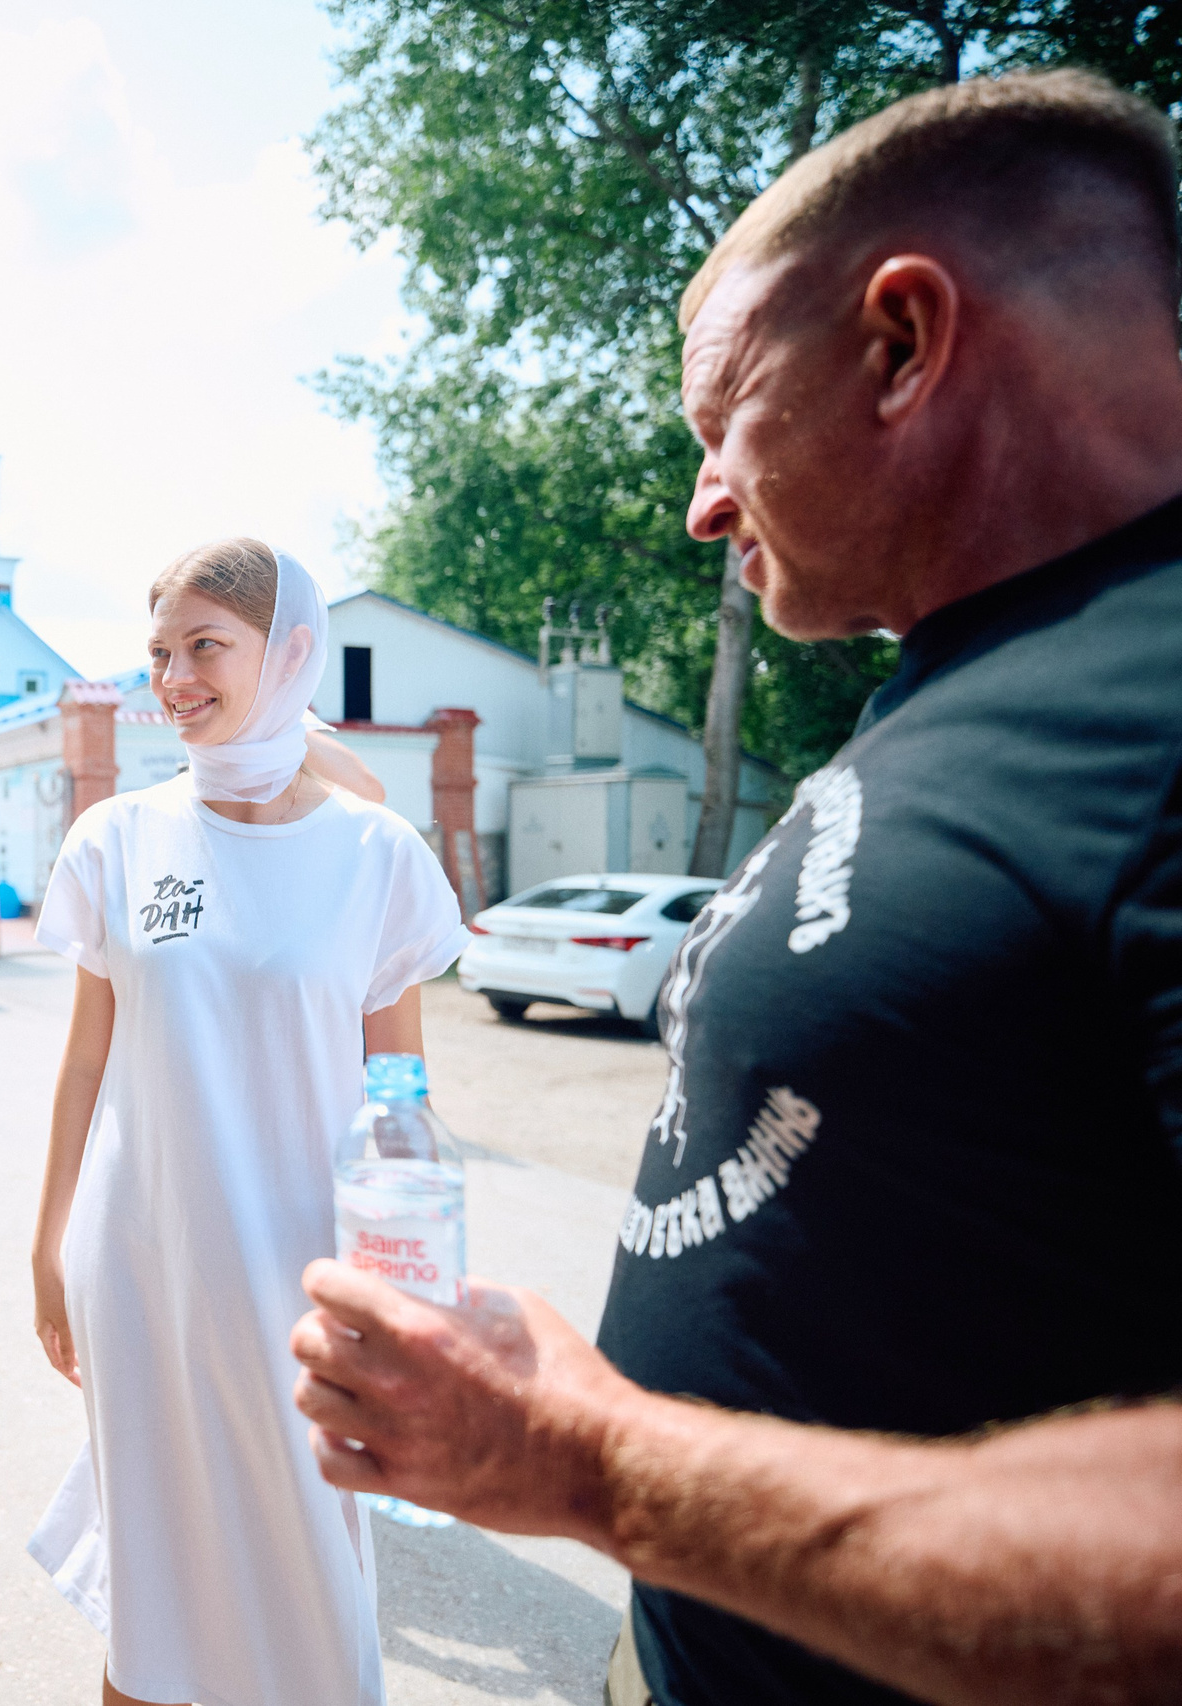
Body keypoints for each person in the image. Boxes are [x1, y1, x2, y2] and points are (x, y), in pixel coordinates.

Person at [287, 70, 1182, 1706]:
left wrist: (591, 1462)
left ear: (902, 344)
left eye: (723, 421)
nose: (703, 500)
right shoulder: (962, 687)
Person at [25, 539, 467, 1706]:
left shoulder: (377, 854)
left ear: (290, 652)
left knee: (315, 1599)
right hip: (142, 1266)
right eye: (158, 653)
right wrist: (47, 1244)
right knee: (153, 1603)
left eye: (204, 646)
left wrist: (408, 1292)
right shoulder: (116, 837)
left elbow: (400, 1093)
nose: (173, 678)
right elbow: (85, 1060)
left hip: (303, 1279)